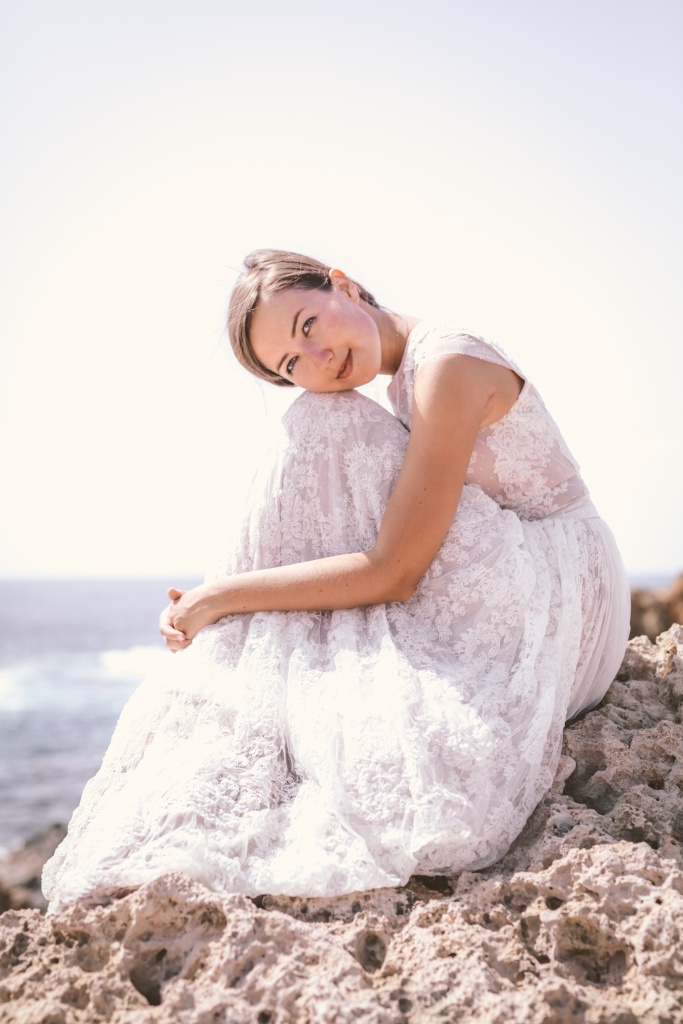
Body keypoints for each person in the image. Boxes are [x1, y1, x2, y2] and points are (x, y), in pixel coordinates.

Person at [42, 249, 630, 912]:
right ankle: (244, 655)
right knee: (324, 415)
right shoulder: (406, 376)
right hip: (534, 576)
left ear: (343, 286)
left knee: (326, 420)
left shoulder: (447, 364)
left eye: (307, 325)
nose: (317, 359)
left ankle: (237, 647)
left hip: (566, 588)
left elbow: (394, 571)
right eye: (290, 365)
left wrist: (223, 597)